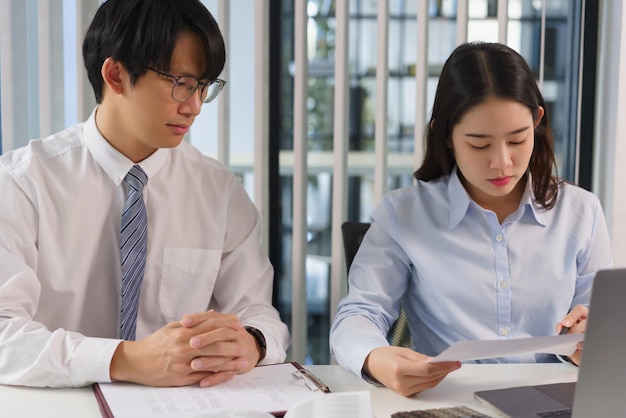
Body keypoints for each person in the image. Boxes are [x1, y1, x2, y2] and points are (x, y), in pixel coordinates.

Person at [0, 0, 289, 388]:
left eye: (204, 87)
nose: (195, 107)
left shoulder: (219, 192)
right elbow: (4, 335)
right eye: (182, 84)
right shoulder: (22, 184)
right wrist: (124, 359)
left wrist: (249, 343)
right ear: (116, 75)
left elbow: (259, 315)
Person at [330, 42, 612, 397]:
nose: (502, 162)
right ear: (446, 136)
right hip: (449, 401)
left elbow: (602, 325)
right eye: (479, 145)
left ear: (537, 122)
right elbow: (357, 315)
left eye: (518, 139)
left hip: (554, 400)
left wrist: (591, 340)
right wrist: (377, 358)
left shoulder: (581, 212)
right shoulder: (403, 215)